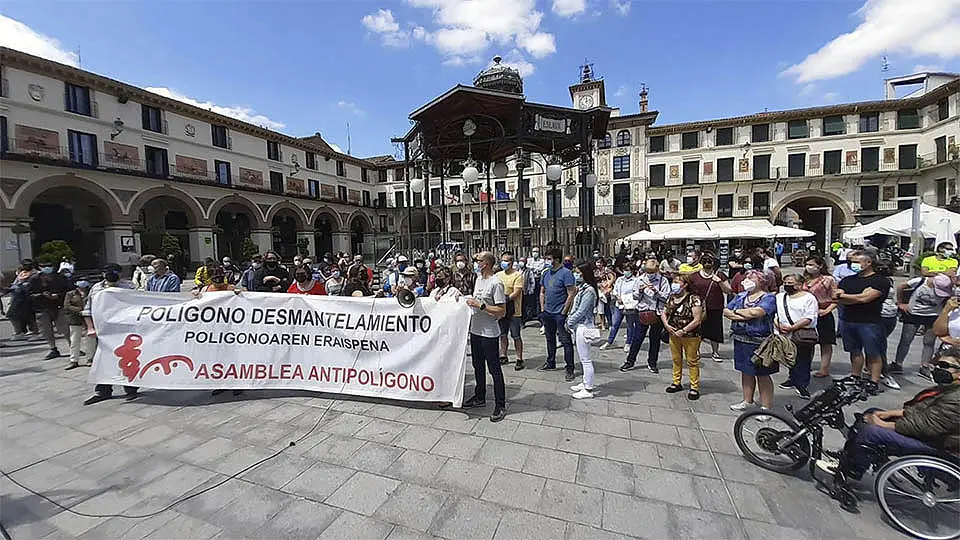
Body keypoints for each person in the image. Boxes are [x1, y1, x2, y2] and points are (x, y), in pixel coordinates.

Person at [817, 347, 960, 477]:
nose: (938, 369)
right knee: (872, 412)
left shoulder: (956, 398)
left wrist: (882, 424)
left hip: (938, 443)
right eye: (939, 364)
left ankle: (851, 469)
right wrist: (890, 414)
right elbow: (923, 409)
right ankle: (850, 456)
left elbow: (926, 425)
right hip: (932, 432)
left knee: (871, 431)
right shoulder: (949, 388)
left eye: (945, 366)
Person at [82, 264, 139, 405]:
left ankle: (130, 389)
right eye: (107, 272)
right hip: (103, 331)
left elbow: (138, 305)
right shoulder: (96, 288)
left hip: (124, 330)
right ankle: (103, 391)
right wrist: (91, 328)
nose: (111, 275)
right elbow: (87, 310)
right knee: (102, 360)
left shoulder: (129, 287)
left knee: (127, 358)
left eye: (114, 272)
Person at [463, 251, 508, 422]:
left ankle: (500, 405)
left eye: (478, 261)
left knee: (494, 369)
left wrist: (481, 305)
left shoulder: (496, 283)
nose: (475, 263)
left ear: (486, 263)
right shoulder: (478, 279)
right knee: (477, 365)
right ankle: (479, 396)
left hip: (489, 333)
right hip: (476, 330)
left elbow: (501, 311)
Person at [725, 270, 779, 412]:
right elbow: (726, 311)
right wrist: (743, 314)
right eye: (747, 278)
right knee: (746, 371)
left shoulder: (769, 298)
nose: (747, 280)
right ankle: (747, 400)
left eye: (751, 278)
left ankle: (766, 406)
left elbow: (757, 312)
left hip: (760, 342)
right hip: (741, 339)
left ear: (762, 281)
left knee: (762, 374)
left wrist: (737, 313)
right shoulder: (742, 296)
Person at [835, 250, 891, 385]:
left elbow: (865, 299)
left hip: (870, 322)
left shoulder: (880, 280)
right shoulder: (847, 280)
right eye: (851, 262)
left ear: (868, 262)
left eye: (856, 262)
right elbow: (837, 297)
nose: (852, 265)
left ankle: (874, 380)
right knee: (854, 351)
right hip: (848, 320)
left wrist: (847, 297)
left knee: (873, 353)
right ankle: (855, 375)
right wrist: (856, 297)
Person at [892, 273, 952, 381]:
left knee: (929, 341)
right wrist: (901, 303)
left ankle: (925, 366)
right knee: (906, 339)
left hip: (933, 315)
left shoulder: (947, 286)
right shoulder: (920, 281)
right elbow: (901, 287)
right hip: (913, 313)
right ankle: (898, 363)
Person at [622, 256, 671, 373]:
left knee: (655, 340)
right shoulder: (640, 279)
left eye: (652, 272)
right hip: (642, 311)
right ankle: (630, 361)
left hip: (657, 313)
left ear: (657, 270)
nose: (649, 274)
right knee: (637, 338)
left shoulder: (663, 281)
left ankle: (652, 363)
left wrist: (656, 292)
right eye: (647, 271)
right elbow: (634, 296)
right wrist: (640, 291)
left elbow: (667, 297)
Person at [775, 274, 819, 399]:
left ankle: (802, 384)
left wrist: (793, 327)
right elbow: (775, 314)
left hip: (802, 333)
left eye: (791, 282)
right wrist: (778, 325)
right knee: (790, 358)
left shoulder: (809, 298)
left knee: (803, 359)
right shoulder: (780, 297)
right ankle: (792, 378)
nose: (787, 285)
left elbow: (809, 317)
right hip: (783, 333)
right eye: (786, 282)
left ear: (799, 284)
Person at [662, 274, 705, 400]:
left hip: (690, 335)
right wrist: (666, 325)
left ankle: (694, 387)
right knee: (676, 359)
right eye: (674, 281)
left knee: (691, 360)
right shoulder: (671, 297)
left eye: (678, 282)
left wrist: (683, 330)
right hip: (673, 333)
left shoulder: (694, 299)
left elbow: (697, 320)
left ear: (685, 285)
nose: (674, 284)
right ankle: (676, 382)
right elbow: (664, 312)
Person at [538, 247, 578, 381]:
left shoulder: (566, 273)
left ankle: (570, 367)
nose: (547, 261)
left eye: (549, 258)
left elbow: (571, 293)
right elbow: (542, 291)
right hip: (548, 312)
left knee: (566, 341)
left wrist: (564, 311)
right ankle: (551, 362)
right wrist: (543, 309)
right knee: (549, 339)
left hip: (560, 313)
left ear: (556, 259)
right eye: (546, 258)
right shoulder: (546, 273)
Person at [687, 252, 731, 363]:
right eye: (705, 261)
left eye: (709, 261)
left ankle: (715, 352)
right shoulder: (694, 276)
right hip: (698, 307)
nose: (707, 263)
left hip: (715, 306)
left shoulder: (720, 275)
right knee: (697, 330)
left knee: (715, 330)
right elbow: (688, 291)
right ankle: (696, 351)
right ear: (701, 263)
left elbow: (728, 290)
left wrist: (720, 282)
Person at [567, 261, 599, 399]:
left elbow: (581, 311)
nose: (576, 275)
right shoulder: (581, 288)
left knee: (586, 359)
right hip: (578, 326)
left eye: (579, 273)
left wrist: (569, 322)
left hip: (583, 326)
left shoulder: (589, 291)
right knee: (582, 357)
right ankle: (585, 382)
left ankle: (588, 388)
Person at [802, 256, 839, 379]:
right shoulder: (804, 279)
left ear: (820, 266)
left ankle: (824, 368)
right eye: (807, 264)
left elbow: (835, 298)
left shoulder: (828, 280)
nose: (809, 267)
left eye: (812, 264)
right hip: (806, 314)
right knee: (807, 341)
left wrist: (827, 310)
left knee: (825, 342)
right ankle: (806, 365)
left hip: (823, 313)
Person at [29, 260, 72, 360]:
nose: (47, 268)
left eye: (49, 265)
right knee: (46, 330)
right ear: (39, 267)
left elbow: (68, 291)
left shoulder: (60, 277)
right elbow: (29, 294)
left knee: (65, 328)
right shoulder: (35, 279)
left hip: (58, 306)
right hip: (42, 307)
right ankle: (53, 348)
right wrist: (42, 295)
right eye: (44, 266)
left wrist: (58, 295)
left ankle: (73, 347)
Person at [602, 260, 639, 352]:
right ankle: (609, 341)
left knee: (630, 325)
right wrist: (618, 297)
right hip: (619, 305)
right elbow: (615, 290)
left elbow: (635, 293)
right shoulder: (620, 280)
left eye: (628, 270)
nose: (626, 272)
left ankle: (628, 343)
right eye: (625, 270)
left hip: (630, 306)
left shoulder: (636, 281)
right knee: (615, 324)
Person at [497, 251, 525, 370]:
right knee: (503, 334)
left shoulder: (518, 275)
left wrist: (505, 298)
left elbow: (517, 292)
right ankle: (503, 355)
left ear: (512, 262)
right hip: (502, 309)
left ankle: (519, 358)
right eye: (503, 260)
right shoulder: (498, 275)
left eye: (507, 260)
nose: (504, 262)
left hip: (514, 310)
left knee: (516, 335)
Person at [62, 280, 90, 371]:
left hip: (88, 318)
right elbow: (67, 305)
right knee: (74, 340)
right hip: (75, 318)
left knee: (90, 340)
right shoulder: (70, 294)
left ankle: (90, 358)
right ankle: (74, 360)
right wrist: (79, 310)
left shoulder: (91, 292)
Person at [7, 260, 39, 339]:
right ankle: (20, 332)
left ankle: (34, 332)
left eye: (27, 265)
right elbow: (15, 284)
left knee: (29, 316)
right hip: (18, 297)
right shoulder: (22, 273)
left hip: (28, 298)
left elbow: (30, 286)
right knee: (12, 315)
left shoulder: (36, 274)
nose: (25, 267)